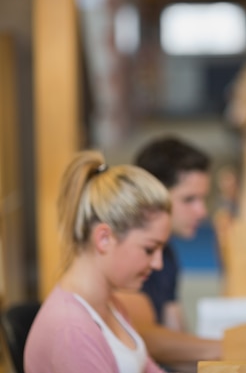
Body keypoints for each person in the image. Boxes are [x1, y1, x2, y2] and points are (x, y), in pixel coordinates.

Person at [24, 150, 171, 373]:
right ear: (104, 239)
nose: (158, 263)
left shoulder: (109, 303)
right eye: (149, 249)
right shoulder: (72, 330)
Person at [115, 136, 221, 373]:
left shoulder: (168, 253)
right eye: (189, 199)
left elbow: (175, 333)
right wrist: (227, 349)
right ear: (153, 197)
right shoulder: (123, 255)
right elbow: (142, 337)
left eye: (203, 199)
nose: (202, 211)